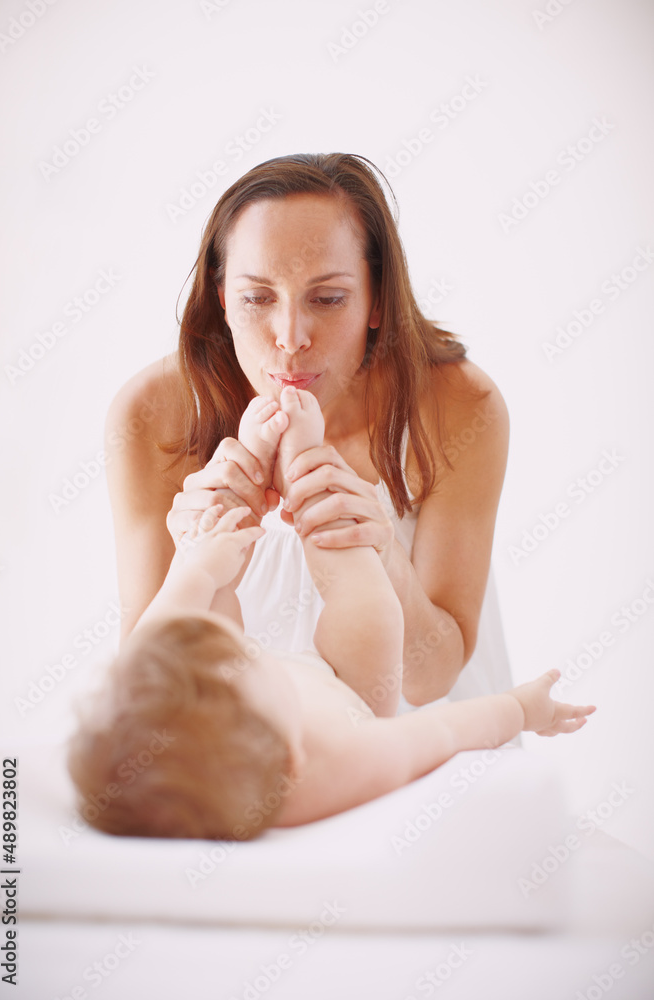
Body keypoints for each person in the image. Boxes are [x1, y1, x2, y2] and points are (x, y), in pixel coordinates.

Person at [68, 390, 596, 840]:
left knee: (185, 619)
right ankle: (307, 466)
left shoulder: (173, 727)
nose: (250, 658)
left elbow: (151, 650)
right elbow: (443, 730)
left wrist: (197, 568)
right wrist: (523, 710)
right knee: (367, 613)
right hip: (352, 688)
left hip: (205, 686)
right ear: (291, 758)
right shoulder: (334, 764)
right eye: (243, 676)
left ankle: (243, 479)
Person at [104, 152, 510, 708]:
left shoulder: (460, 404)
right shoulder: (151, 414)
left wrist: (384, 552)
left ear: (376, 300)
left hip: (425, 743)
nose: (291, 336)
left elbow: (429, 677)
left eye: (327, 299)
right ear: (223, 300)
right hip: (240, 754)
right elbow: (145, 693)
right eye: (257, 298)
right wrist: (192, 563)